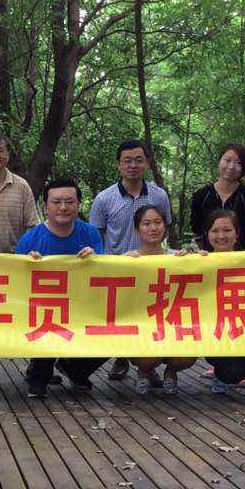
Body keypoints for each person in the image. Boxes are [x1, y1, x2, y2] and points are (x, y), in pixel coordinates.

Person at [89, 138, 174, 381]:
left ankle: (148, 366)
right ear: (118, 164)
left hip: (151, 269)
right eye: (127, 161)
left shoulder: (159, 195)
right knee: (122, 316)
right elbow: (97, 235)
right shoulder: (104, 199)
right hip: (118, 270)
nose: (133, 165)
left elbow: (164, 227)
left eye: (138, 160)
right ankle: (121, 358)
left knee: (149, 315)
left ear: (147, 163)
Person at [16, 179, 105, 398]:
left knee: (115, 329)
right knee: (47, 323)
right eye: (56, 202)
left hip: (84, 305)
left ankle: (74, 369)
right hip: (44, 309)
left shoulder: (91, 234)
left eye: (69, 202)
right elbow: (17, 282)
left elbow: (103, 272)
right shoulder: (30, 239)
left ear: (78, 204)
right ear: (45, 206)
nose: (63, 207)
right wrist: (27, 264)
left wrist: (94, 258)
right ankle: (38, 376)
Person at [125, 205, 195, 396]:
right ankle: (143, 372)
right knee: (148, 357)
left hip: (174, 324)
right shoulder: (127, 259)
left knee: (187, 357)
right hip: (142, 327)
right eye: (146, 223)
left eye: (158, 222)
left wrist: (197, 260)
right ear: (137, 228)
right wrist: (126, 265)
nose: (153, 228)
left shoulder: (177, 257)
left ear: (165, 226)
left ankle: (171, 372)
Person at [202, 209, 245, 399]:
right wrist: (188, 259)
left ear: (237, 233)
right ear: (207, 234)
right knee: (230, 374)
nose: (221, 236)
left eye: (227, 230)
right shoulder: (200, 261)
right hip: (216, 331)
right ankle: (220, 374)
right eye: (215, 231)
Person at [189, 142, 245, 252]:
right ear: (219, 161)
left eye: (238, 163)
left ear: (244, 167)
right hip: (207, 258)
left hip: (239, 259)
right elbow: (197, 232)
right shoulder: (201, 196)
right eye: (227, 160)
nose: (231, 166)